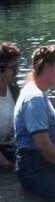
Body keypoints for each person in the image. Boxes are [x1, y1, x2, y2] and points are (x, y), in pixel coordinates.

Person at [14, 45, 55, 200]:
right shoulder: (35, 98)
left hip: (36, 165)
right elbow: (42, 143)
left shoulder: (33, 91)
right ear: (48, 67)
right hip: (38, 167)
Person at [0, 42, 21, 170]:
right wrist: (8, 166)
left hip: (11, 146)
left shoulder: (14, 90)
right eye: (14, 67)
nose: (17, 70)